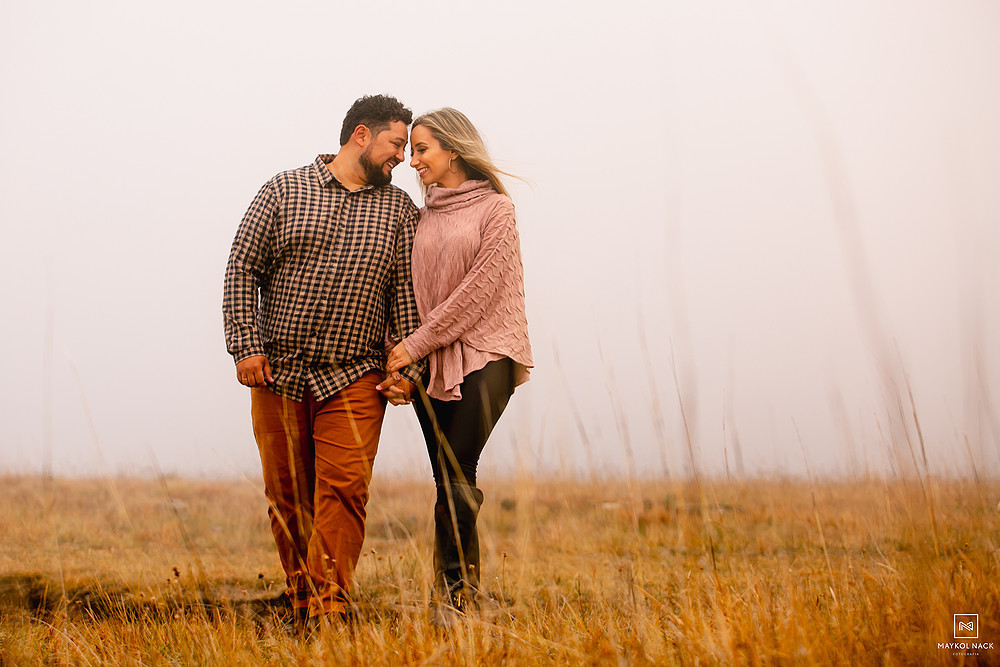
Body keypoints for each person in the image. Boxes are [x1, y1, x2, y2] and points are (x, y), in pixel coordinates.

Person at [223, 94, 422, 630]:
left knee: (344, 489)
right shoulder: (284, 190)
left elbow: (404, 294)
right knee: (287, 496)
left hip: (355, 375)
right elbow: (243, 267)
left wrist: (405, 366)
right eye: (396, 144)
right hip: (277, 373)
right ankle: (301, 598)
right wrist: (246, 347)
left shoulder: (400, 211)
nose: (401, 157)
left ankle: (328, 609)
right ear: (361, 135)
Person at [379, 107, 533, 621]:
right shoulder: (421, 216)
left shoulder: (496, 212)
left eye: (421, 150)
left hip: (491, 351)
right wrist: (401, 359)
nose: (412, 161)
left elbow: (477, 294)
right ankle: (458, 595)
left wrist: (414, 347)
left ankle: (457, 594)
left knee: (457, 463)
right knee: (450, 473)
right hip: (432, 359)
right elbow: (409, 293)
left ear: (453, 150)